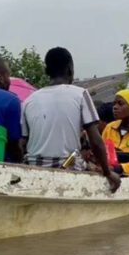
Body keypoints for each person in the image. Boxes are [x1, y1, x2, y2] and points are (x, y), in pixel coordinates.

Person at [21, 47, 120, 192]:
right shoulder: (80, 94)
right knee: (89, 165)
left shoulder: (29, 100)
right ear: (70, 70)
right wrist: (107, 172)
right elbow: (96, 141)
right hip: (67, 165)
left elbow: (22, 143)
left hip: (34, 165)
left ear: (46, 72)